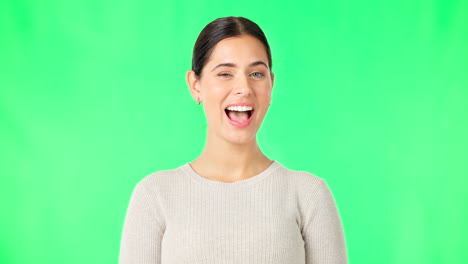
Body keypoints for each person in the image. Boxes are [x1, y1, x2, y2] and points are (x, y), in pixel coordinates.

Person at [119, 16, 348, 264]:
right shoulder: (155, 195)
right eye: (225, 73)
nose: (244, 88)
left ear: (271, 84)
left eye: (256, 73)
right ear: (195, 85)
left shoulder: (308, 194)